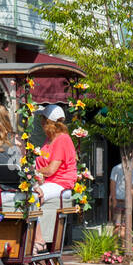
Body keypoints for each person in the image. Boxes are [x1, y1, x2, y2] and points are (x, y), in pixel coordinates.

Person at [35, 105, 78, 251]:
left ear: (47, 122)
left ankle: (38, 239)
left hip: (60, 182)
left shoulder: (62, 139)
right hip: (49, 182)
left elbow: (52, 169)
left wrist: (33, 171)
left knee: (32, 196)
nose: (40, 123)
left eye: (42, 119)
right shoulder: (49, 140)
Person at [109, 160, 128, 232]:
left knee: (124, 226)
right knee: (117, 225)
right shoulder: (116, 168)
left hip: (126, 201)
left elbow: (131, 187)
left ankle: (123, 243)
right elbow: (112, 184)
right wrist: (114, 200)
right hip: (118, 200)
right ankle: (115, 243)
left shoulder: (131, 170)